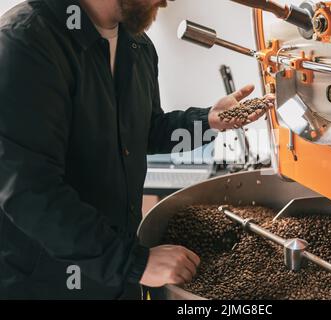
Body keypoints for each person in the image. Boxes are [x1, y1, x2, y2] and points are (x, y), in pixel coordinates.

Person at [0, 0, 272, 299]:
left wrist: (207, 121)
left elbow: (144, 130)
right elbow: (29, 191)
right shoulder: (25, 42)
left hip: (117, 279)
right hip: (45, 283)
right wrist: (133, 263)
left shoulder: (137, 45)